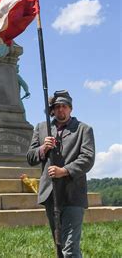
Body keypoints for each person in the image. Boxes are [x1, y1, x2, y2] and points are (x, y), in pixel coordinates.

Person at [27, 90, 95, 257]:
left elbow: (88, 158)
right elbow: (30, 157)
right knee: (59, 246)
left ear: (70, 108)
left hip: (73, 195)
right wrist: (43, 148)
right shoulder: (42, 128)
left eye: (64, 106)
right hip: (51, 195)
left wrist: (64, 171)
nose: (60, 110)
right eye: (57, 107)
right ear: (52, 110)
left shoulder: (83, 129)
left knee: (70, 249)